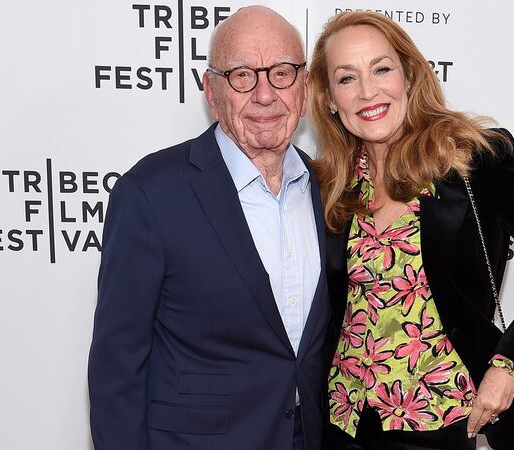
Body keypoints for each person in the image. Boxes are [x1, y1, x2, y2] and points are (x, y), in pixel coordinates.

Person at [307, 11, 514, 450]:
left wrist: (509, 366)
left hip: (439, 420)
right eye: (347, 78)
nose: (368, 91)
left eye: (382, 69)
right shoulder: (327, 182)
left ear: (409, 76)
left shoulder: (476, 160)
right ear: (330, 98)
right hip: (343, 421)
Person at [87, 6, 330, 450]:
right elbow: (116, 367)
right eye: (242, 75)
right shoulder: (150, 193)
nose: (264, 94)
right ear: (212, 92)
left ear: (305, 85)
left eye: (281, 72)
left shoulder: (328, 189)